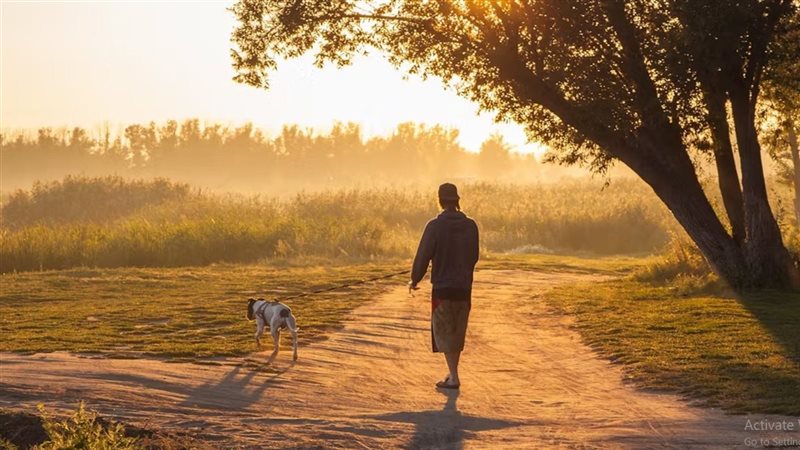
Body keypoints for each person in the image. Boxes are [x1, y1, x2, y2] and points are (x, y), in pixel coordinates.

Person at [409, 182, 479, 390]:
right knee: (457, 330)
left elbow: (423, 255)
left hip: (443, 286)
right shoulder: (470, 226)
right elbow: (473, 256)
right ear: (457, 200)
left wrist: (415, 278)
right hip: (464, 286)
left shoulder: (435, 226)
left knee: (445, 330)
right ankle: (452, 373)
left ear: (440, 201)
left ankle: (454, 377)